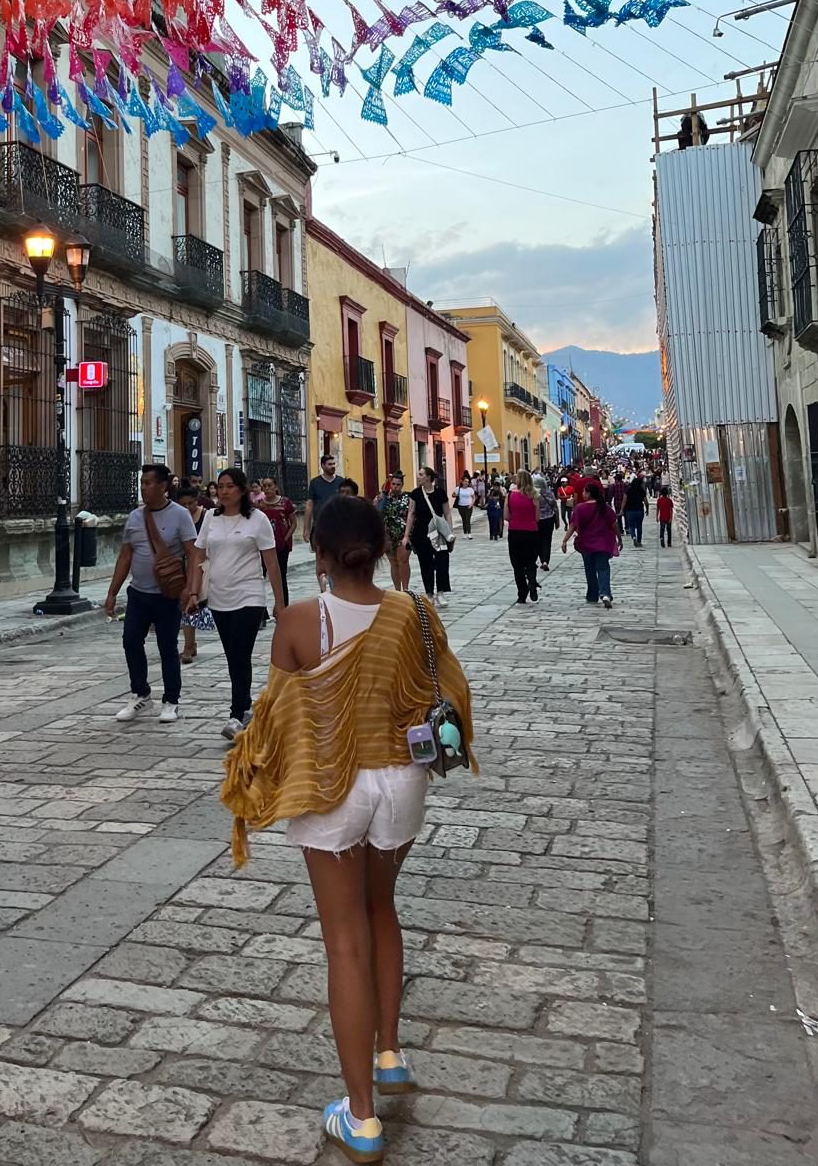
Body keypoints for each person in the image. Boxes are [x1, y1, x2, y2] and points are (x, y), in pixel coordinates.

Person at [221, 495, 475, 1166]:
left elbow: (274, 718)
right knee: (380, 908)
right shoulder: (417, 612)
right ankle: (388, 1054)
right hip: (401, 784)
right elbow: (450, 689)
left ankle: (360, 1116)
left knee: (343, 943)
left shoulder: (300, 622)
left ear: (321, 555)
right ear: (383, 546)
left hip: (335, 791)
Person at [188, 469, 284, 740]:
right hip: (220, 598)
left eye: (230, 486)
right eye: (220, 486)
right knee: (232, 656)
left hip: (249, 596)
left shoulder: (258, 519)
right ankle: (245, 708)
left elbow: (272, 563)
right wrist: (193, 592)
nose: (224, 491)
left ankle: (236, 713)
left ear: (242, 490)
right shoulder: (210, 519)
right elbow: (198, 554)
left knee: (241, 653)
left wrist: (280, 602)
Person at [106, 465, 198, 724]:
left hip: (167, 595)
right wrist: (112, 592)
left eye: (148, 483)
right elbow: (126, 555)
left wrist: (190, 589)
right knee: (131, 640)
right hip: (138, 593)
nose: (143, 487)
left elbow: (192, 554)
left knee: (167, 647)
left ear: (163, 486)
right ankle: (141, 693)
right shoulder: (135, 517)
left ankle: (171, 700)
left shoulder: (180, 515)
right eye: (142, 483)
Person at [562, 479, 624, 609]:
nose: (583, 493)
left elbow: (573, 526)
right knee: (603, 568)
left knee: (589, 569)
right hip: (603, 543)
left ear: (589, 494)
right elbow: (614, 524)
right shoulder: (605, 508)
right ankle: (605, 593)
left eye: (584, 491)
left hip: (586, 543)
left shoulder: (580, 508)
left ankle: (593, 594)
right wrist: (619, 538)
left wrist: (564, 541)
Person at [400, 467, 454, 608]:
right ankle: (429, 593)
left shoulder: (440, 493)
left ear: (429, 477)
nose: (418, 476)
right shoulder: (416, 494)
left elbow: (447, 513)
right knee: (426, 563)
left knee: (442, 561)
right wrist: (406, 535)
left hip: (439, 533)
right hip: (421, 533)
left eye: (421, 474)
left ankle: (441, 592)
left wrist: (449, 532)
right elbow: (411, 514)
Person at [177, 483, 210, 662]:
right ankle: (189, 644)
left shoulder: (207, 516)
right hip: (181, 566)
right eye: (183, 504)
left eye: (191, 503)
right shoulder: (177, 518)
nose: (188, 508)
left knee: (194, 601)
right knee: (185, 605)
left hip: (202, 567)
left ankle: (190, 645)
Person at [305, 454, 345, 592]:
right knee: (320, 558)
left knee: (337, 558)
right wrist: (306, 528)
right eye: (329, 464)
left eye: (334, 464)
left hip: (338, 528)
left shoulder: (341, 482)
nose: (333, 467)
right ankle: (323, 590)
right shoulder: (315, 483)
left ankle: (336, 586)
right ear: (322, 466)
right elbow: (309, 505)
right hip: (319, 527)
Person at [504, 470, 540, 605]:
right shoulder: (535, 495)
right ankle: (531, 579)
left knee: (517, 564)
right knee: (531, 561)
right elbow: (537, 518)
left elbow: (506, 516)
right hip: (531, 532)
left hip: (515, 532)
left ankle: (522, 593)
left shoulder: (510, 495)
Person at [261, 477, 298, 605]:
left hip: (281, 546)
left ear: (275, 487)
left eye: (269, 485)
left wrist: (285, 538)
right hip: (264, 546)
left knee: (281, 576)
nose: (267, 489)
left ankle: (283, 606)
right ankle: (262, 611)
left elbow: (293, 523)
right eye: (264, 486)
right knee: (261, 576)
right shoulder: (260, 505)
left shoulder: (285, 502)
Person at [378, 472, 411, 591]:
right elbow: (376, 513)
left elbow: (412, 514)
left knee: (403, 560)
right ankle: (397, 590)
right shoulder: (383, 497)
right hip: (388, 534)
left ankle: (406, 589)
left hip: (404, 533)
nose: (395, 486)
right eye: (393, 484)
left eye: (398, 484)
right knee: (394, 563)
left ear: (402, 484)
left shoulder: (408, 498)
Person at [531, 474, 558, 573]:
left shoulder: (533, 494)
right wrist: (557, 521)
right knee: (547, 541)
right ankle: (545, 561)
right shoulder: (549, 492)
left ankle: (542, 559)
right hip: (549, 519)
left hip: (537, 520)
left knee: (537, 541)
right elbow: (555, 507)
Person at [623, 471, 647, 547]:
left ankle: (633, 536)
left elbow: (624, 500)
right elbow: (646, 501)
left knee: (631, 526)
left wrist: (621, 509)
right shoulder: (641, 491)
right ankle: (639, 541)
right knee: (639, 526)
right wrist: (647, 509)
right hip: (639, 510)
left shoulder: (628, 490)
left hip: (630, 510)